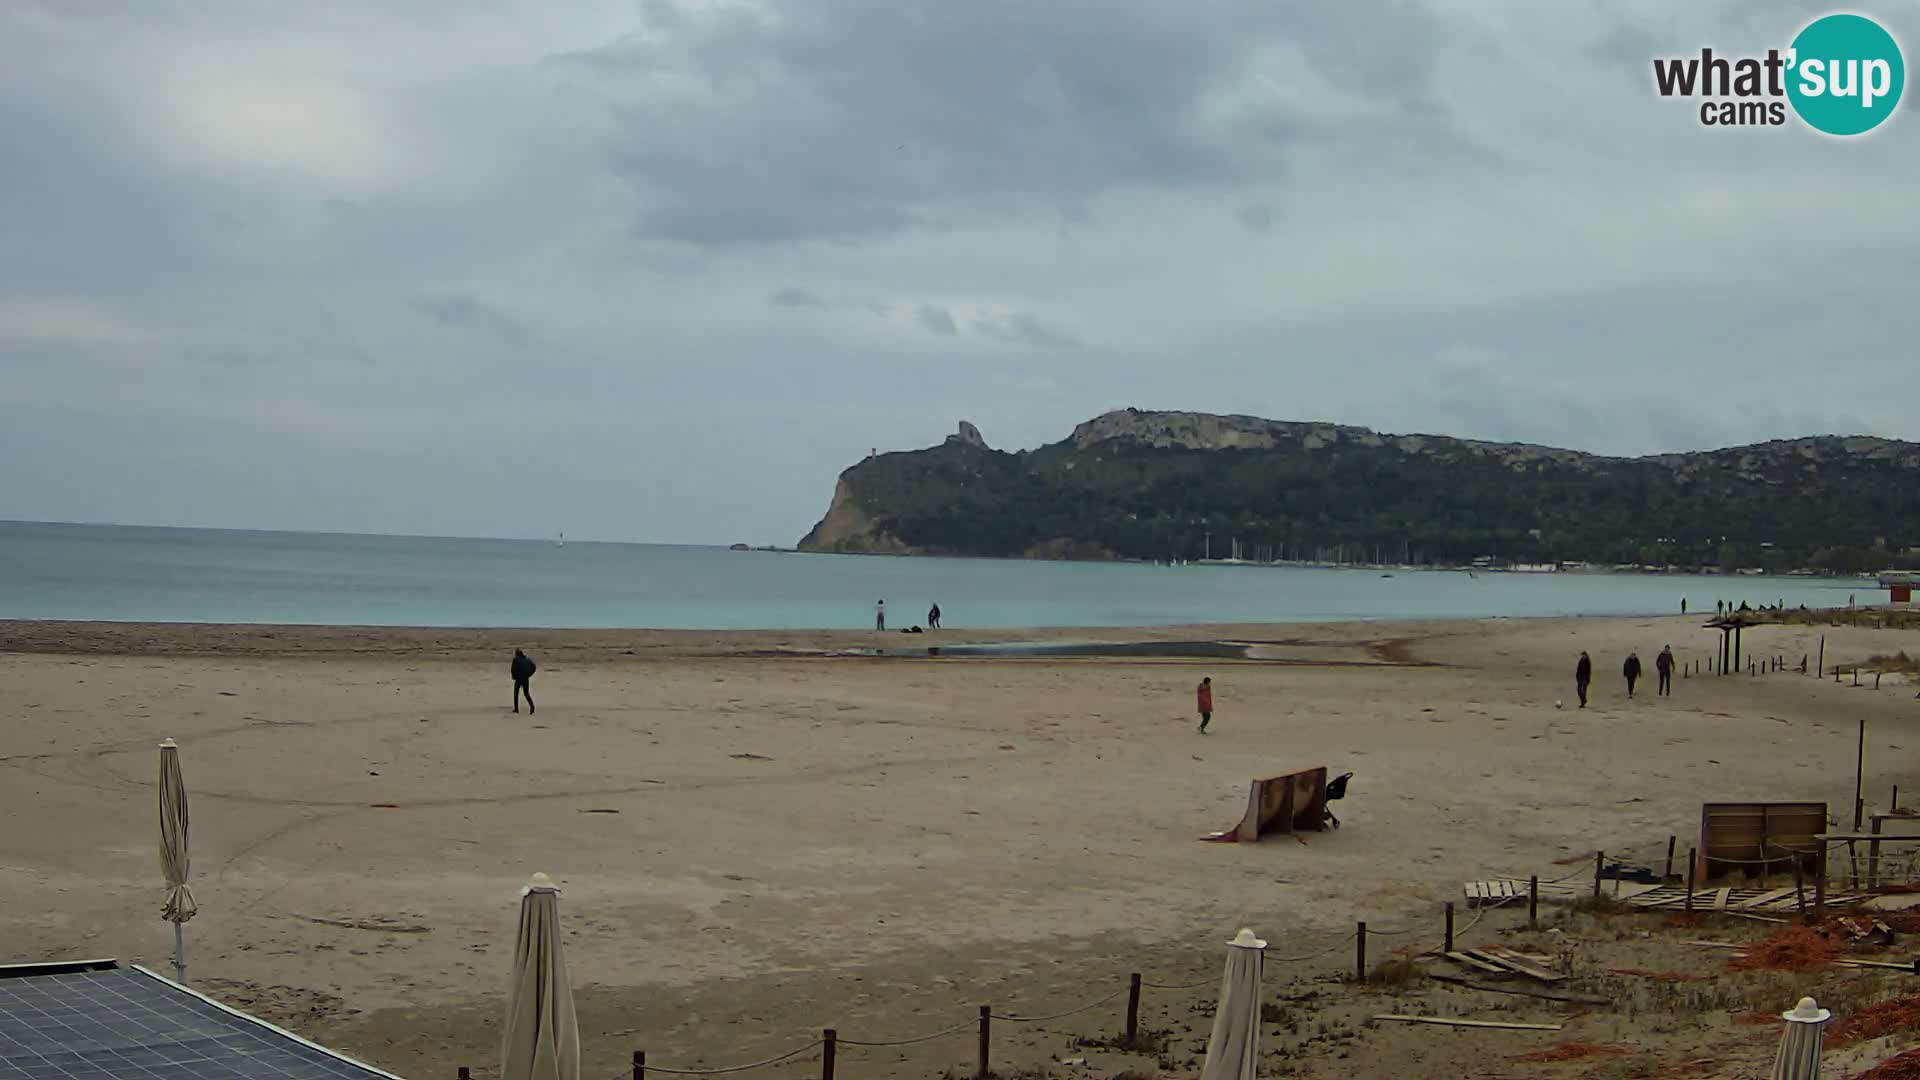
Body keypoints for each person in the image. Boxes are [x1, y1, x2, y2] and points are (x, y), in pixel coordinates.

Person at [510, 649, 537, 715]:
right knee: (526, 693)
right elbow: (534, 667)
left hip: (519, 678)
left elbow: (513, 669)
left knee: (516, 693)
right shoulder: (527, 659)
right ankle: (532, 706)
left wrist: (514, 677)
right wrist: (529, 674)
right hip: (525, 678)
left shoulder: (515, 659)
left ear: (517, 654)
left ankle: (516, 709)